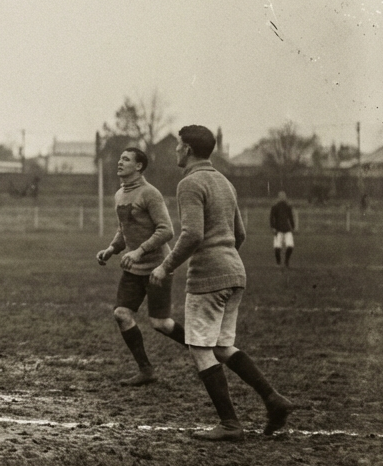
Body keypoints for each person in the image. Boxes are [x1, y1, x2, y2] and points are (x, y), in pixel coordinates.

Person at [150, 125, 294, 441]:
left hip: (209, 278)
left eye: (177, 145)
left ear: (187, 149)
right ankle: (273, 399)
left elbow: (192, 234)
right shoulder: (225, 183)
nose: (175, 150)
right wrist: (225, 260)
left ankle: (230, 424)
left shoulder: (189, 183)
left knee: (200, 349)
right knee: (223, 347)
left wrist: (165, 266)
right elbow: (239, 234)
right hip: (235, 273)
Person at [95, 147, 185, 386]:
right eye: (120, 157)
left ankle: (202, 350)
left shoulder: (150, 194)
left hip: (158, 268)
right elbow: (123, 229)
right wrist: (112, 249)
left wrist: (139, 251)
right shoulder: (119, 195)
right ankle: (146, 370)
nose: (119, 162)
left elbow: (167, 230)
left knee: (161, 324)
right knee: (121, 314)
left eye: (126, 159)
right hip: (133, 270)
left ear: (139, 166)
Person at [269, 191, 296, 267]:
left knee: (290, 246)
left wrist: (293, 227)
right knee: (277, 248)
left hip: (287, 229)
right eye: (281, 196)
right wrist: (273, 227)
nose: (282, 198)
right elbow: (271, 218)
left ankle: (286, 261)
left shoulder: (288, 207)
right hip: (278, 230)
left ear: (285, 197)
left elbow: (291, 218)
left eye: (283, 196)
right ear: (278, 197)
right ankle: (278, 262)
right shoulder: (275, 207)